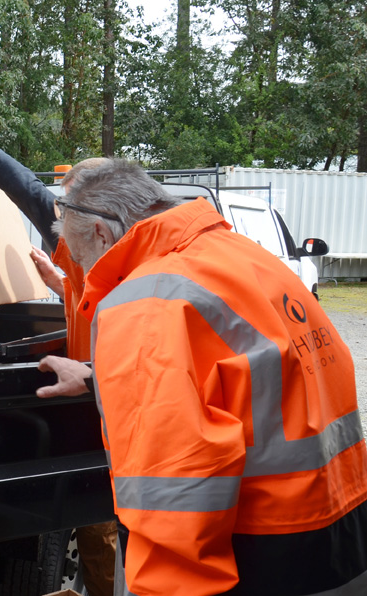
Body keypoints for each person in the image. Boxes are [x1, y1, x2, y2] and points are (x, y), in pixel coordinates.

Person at [38, 160, 367, 595]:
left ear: (102, 232)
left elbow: (172, 501)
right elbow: (243, 376)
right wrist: (101, 376)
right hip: (340, 534)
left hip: (259, 553)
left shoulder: (145, 304)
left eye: (80, 260)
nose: (85, 275)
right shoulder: (243, 257)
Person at [0, 136, 117, 596]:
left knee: (104, 520)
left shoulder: (130, 263)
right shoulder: (82, 244)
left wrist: (97, 378)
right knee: (92, 513)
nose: (59, 217)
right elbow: (33, 196)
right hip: (91, 401)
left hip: (115, 405)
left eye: (69, 206)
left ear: (98, 215)